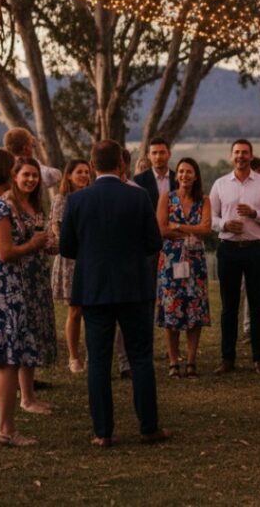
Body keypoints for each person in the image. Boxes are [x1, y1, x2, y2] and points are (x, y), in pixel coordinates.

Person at [60, 139, 168, 447]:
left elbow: (67, 247)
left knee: (98, 361)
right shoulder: (138, 196)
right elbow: (153, 242)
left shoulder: (77, 200)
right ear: (121, 164)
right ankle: (148, 427)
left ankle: (102, 432)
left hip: (94, 288)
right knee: (141, 358)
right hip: (134, 286)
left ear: (92, 165)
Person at [0, 148, 48, 448]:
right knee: (7, 360)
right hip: (4, 290)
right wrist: (33, 244)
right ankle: (6, 430)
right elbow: (5, 252)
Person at [209, 139, 260, 375]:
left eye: (245, 152)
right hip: (228, 248)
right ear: (232, 156)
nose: (240, 156)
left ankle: (259, 358)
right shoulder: (220, 184)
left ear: (251, 156)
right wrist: (224, 224)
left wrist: (254, 213)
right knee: (229, 306)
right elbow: (210, 218)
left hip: (255, 249)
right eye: (237, 152)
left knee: (258, 305)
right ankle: (227, 358)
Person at [4, 158, 57, 415]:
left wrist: (50, 243)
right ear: (14, 176)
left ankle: (29, 396)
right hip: (18, 278)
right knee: (22, 335)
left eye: (35, 175)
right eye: (26, 175)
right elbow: (9, 245)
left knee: (34, 335)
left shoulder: (36, 203)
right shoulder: (8, 204)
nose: (31, 180)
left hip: (38, 277)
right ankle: (24, 398)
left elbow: (42, 238)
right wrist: (34, 244)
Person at [156, 158, 212, 379]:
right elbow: (161, 229)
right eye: (180, 171)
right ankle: (173, 361)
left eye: (189, 172)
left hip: (195, 262)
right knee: (171, 310)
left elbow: (206, 229)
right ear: (176, 175)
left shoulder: (204, 200)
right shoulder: (166, 198)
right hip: (171, 261)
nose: (184, 175)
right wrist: (192, 230)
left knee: (194, 310)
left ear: (196, 176)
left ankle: (191, 361)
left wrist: (178, 226)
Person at [50, 159, 92, 373]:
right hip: (70, 258)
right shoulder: (61, 199)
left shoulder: (92, 196)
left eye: (86, 172)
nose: (84, 175)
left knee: (92, 311)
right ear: (68, 175)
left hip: (91, 258)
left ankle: (92, 355)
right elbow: (56, 227)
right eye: (79, 172)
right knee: (75, 311)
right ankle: (74, 357)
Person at [134, 137, 177, 209]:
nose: (158, 157)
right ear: (148, 156)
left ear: (169, 154)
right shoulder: (139, 180)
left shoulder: (178, 179)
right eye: (154, 153)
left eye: (162, 152)